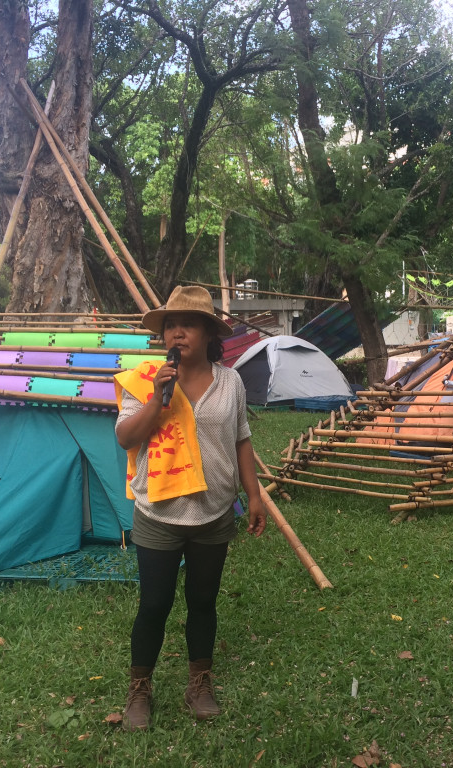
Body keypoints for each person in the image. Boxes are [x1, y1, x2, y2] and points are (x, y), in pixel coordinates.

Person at [113, 285, 267, 731]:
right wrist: (158, 399)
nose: (177, 333)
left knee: (203, 601)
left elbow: (240, 439)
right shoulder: (143, 378)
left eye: (189, 324)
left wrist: (252, 495)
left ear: (207, 333)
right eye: (170, 326)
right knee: (154, 604)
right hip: (159, 513)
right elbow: (126, 438)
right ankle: (139, 689)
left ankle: (200, 682)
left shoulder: (231, 381)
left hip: (215, 513)